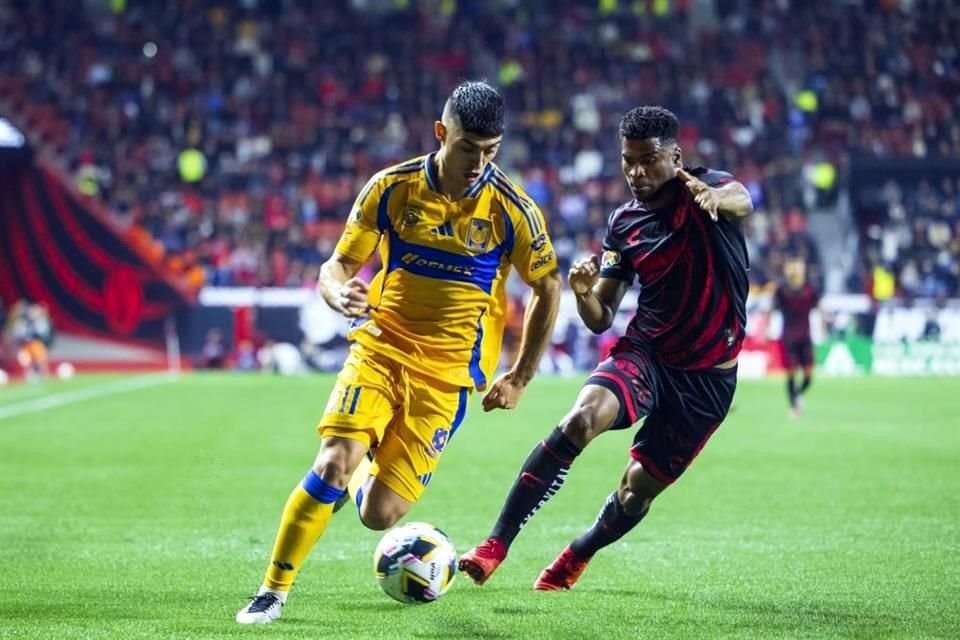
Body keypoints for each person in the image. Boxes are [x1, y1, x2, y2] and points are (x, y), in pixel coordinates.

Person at [237, 81, 561, 623]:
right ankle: (273, 590)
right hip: (381, 349)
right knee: (334, 459)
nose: (479, 162)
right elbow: (335, 267)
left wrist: (521, 375)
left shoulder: (512, 210)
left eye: (491, 151)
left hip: (449, 377)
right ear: (441, 134)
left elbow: (547, 286)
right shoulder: (391, 188)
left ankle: (361, 475)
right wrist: (338, 292)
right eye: (468, 148)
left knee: (380, 514)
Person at [458, 106, 753, 591]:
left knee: (636, 491)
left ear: (676, 156)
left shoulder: (710, 189)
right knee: (580, 418)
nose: (636, 172)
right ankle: (495, 544)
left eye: (649, 160)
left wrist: (716, 196)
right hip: (648, 355)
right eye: (627, 161)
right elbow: (602, 318)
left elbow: (741, 199)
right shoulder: (624, 223)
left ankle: (581, 550)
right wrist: (582, 293)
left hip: (707, 380)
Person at [771, 256, 820, 418]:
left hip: (806, 337)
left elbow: (818, 306)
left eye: (799, 266)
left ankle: (798, 394)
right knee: (791, 373)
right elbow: (772, 309)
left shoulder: (810, 290)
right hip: (789, 337)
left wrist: (825, 323)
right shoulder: (782, 291)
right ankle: (793, 407)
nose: (796, 269)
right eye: (793, 266)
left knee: (809, 375)